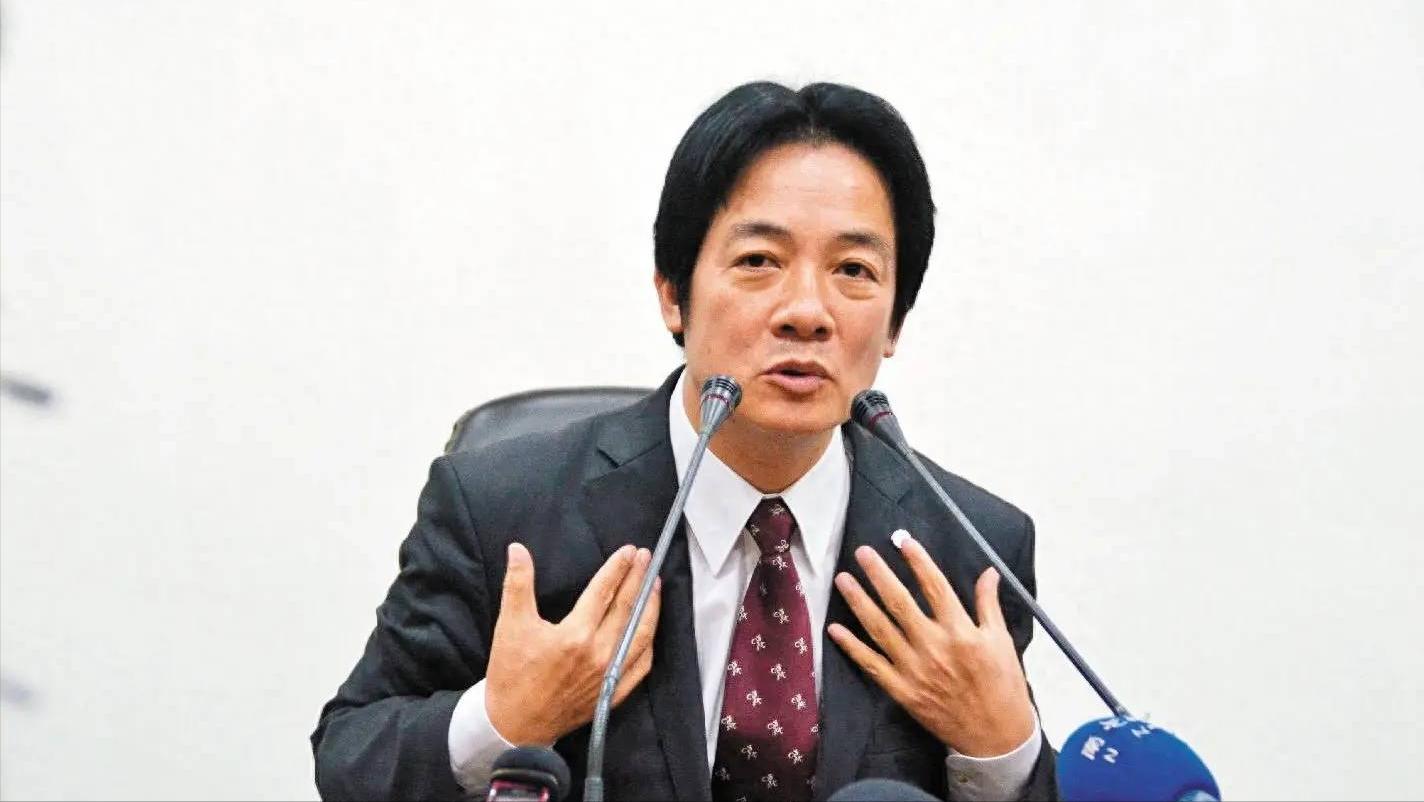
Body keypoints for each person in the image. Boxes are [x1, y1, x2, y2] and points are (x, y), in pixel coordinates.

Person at [311, 81, 1057, 802]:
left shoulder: (968, 549)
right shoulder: (506, 513)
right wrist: (502, 721)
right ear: (673, 293)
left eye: (853, 270)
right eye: (759, 261)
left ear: (894, 322)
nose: (806, 312)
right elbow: (350, 757)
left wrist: (1003, 754)